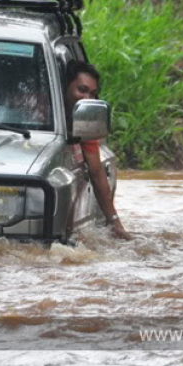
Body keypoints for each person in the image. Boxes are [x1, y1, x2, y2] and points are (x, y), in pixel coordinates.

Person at [64, 61, 133, 240]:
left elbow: (96, 171)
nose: (88, 98)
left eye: (93, 94)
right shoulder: (37, 108)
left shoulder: (85, 124)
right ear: (64, 87)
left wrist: (115, 224)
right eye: (82, 90)